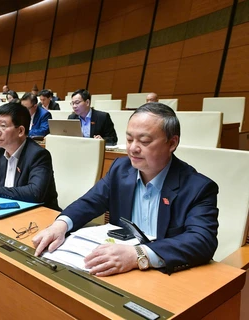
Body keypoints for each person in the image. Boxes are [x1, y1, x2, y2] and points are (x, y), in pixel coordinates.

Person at [33, 103, 219, 276]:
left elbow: (202, 240)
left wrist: (138, 255)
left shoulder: (198, 187)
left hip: (164, 272)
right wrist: (61, 225)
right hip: (118, 270)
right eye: (129, 139)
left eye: (144, 142)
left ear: (172, 143)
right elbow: (90, 201)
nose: (133, 149)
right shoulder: (120, 170)